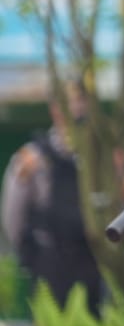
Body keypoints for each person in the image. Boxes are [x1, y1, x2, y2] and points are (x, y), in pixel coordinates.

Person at [1, 81, 104, 310]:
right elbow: (13, 215)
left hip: (90, 259)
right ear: (55, 108)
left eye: (81, 102)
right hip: (50, 260)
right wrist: (31, 255)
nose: (78, 109)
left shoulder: (99, 155)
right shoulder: (33, 157)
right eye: (71, 102)